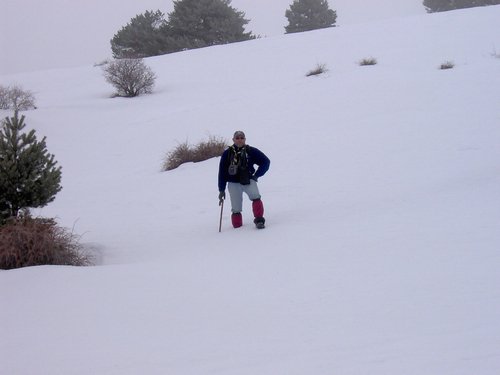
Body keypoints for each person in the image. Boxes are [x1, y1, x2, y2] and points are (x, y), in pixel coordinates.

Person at [218, 131, 270, 229]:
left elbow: (266, 162)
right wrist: (221, 189)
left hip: (249, 180)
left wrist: (256, 176)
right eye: (237, 138)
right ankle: (237, 227)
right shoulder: (227, 153)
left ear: (245, 139)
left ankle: (259, 220)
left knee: (256, 198)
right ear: (233, 139)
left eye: (242, 138)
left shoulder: (251, 151)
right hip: (233, 183)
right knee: (236, 208)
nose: (239, 139)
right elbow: (222, 172)